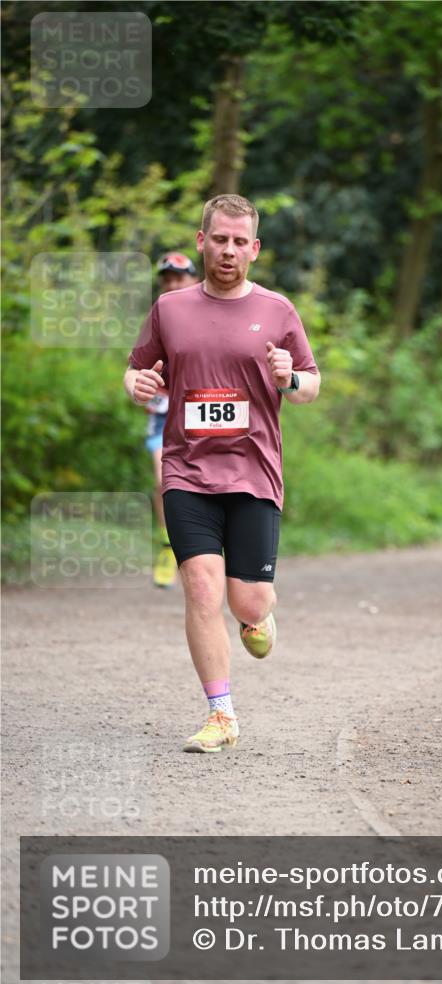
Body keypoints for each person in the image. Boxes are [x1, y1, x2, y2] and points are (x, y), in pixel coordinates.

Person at [124, 194, 320, 752]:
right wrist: (136, 385)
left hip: (254, 473)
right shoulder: (170, 310)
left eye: (240, 242)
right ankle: (221, 714)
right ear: (201, 241)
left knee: (247, 602)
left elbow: (310, 385)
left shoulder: (278, 311)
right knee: (201, 587)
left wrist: (289, 379)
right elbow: (137, 369)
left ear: (254, 249)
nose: (228, 250)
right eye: (219, 239)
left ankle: (259, 616)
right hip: (186, 470)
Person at [147, 253, 200, 588]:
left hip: (205, 416)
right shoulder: (157, 319)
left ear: (194, 281)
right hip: (163, 418)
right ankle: (168, 546)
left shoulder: (214, 313)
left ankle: (203, 549)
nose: (172, 284)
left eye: (179, 278)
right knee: (163, 481)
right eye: (167, 278)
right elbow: (139, 368)